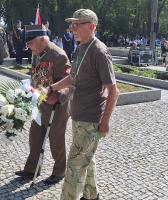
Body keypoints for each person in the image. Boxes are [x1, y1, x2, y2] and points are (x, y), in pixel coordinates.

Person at [50, 9, 120, 200]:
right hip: (78, 116)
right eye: (72, 24)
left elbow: (113, 91)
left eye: (77, 24)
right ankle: (92, 195)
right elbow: (74, 76)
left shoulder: (99, 51)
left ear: (91, 26)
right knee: (86, 160)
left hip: (91, 119)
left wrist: (105, 122)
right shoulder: (81, 46)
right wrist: (53, 87)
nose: (72, 28)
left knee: (74, 167)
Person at [14, 24, 71, 185]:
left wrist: (58, 95)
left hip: (57, 107)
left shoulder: (58, 55)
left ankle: (60, 171)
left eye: (30, 43)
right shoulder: (37, 53)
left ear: (41, 40)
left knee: (55, 140)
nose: (28, 47)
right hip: (39, 102)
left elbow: (69, 83)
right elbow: (36, 75)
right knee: (35, 137)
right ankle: (32, 169)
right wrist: (29, 89)